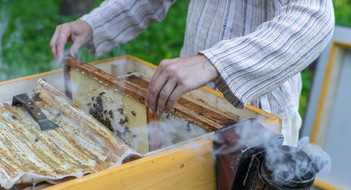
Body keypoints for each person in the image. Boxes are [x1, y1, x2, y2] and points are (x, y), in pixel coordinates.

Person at [50, 0, 335, 146]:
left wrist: (215, 62)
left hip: (257, 113)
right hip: (186, 102)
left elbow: (315, 18)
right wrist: (94, 24)